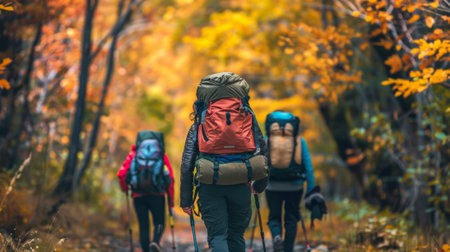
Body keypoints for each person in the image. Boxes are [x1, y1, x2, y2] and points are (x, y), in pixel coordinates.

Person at [180, 72, 268, 252]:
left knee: (218, 236)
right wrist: (259, 185)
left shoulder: (200, 122)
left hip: (210, 186)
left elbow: (187, 164)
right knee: (236, 235)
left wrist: (186, 200)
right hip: (241, 183)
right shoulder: (247, 117)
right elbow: (264, 152)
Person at [264, 111, 315, 252]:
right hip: (295, 186)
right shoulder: (299, 141)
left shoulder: (266, 139)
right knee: (291, 218)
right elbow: (309, 168)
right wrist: (311, 191)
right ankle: (288, 249)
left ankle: (277, 237)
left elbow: (259, 164)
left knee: (274, 217)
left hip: (272, 186)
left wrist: (255, 183)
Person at [117, 131, 174, 252]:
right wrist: (171, 203)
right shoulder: (161, 156)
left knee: (144, 226)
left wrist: (125, 189)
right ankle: (155, 242)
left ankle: (147, 250)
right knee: (159, 223)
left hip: (139, 195)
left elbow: (121, 174)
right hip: (157, 195)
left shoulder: (134, 155)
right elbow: (170, 180)